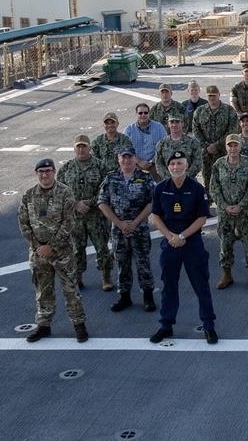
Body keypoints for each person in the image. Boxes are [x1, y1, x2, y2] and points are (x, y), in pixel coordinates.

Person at [148, 151, 218, 345]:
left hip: (191, 242)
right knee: (168, 286)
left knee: (201, 285)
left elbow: (202, 218)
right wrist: (170, 236)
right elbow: (156, 216)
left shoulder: (196, 188)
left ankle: (209, 325)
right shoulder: (161, 188)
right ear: (168, 167)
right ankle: (166, 325)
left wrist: (181, 236)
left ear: (186, 166)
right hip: (170, 243)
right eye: (173, 164)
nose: (176, 167)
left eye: (180, 163)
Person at [18, 157, 88, 343]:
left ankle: (79, 325)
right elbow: (24, 224)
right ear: (36, 173)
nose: (45, 174)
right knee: (42, 290)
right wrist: (38, 247)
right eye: (41, 171)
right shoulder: (28, 195)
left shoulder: (65, 193)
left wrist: (52, 246)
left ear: (54, 172)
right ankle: (43, 325)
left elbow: (69, 222)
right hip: (39, 253)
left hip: (62, 252)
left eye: (48, 171)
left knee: (71, 289)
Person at [98, 146, 156, 313]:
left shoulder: (144, 178)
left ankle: (148, 296)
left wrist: (135, 222)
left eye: (130, 157)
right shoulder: (111, 178)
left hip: (140, 229)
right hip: (119, 231)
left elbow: (152, 202)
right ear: (118, 159)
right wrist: (119, 223)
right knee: (122, 264)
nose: (126, 160)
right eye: (123, 157)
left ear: (135, 159)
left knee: (143, 263)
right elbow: (102, 202)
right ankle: (124, 297)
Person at [57, 134, 113, 291]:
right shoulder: (66, 168)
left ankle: (106, 278)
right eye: (78, 147)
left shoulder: (100, 166)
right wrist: (75, 204)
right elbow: (59, 192)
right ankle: (78, 278)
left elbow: (107, 189)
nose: (81, 149)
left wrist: (91, 202)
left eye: (84, 146)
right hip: (75, 217)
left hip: (97, 215)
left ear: (90, 148)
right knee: (76, 249)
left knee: (102, 247)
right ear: (74, 149)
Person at [209, 134, 248, 291]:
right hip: (225, 214)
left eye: (235, 145)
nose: (233, 148)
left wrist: (241, 205)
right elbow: (214, 188)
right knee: (225, 245)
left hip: (245, 213)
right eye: (230, 145)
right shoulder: (218, 164)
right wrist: (224, 206)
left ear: (240, 146)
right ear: (226, 147)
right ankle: (227, 275)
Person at [191, 85, 239, 187]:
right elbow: (196, 131)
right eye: (209, 96)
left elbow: (232, 131)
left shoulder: (229, 111)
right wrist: (206, 146)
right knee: (208, 183)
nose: (212, 98)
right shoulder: (199, 111)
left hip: (224, 153)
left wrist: (217, 145)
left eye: (214, 95)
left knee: (226, 183)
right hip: (206, 153)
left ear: (219, 95)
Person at [124, 103, 167, 181]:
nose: (143, 115)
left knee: (157, 189)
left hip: (155, 165)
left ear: (149, 113)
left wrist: (152, 161)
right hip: (135, 166)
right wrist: (139, 161)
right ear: (136, 114)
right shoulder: (129, 130)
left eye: (145, 113)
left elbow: (165, 146)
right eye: (140, 113)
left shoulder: (159, 127)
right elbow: (125, 151)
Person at [155, 113, 204, 181]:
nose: (174, 125)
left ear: (182, 123)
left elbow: (198, 163)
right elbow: (159, 164)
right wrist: (171, 178)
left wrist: (183, 178)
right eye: (172, 122)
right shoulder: (161, 144)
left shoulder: (193, 142)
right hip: (168, 181)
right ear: (168, 124)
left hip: (188, 181)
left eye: (177, 122)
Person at [91, 112, 134, 176]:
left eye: (112, 122)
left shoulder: (124, 140)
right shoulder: (98, 141)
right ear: (103, 125)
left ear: (117, 124)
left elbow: (128, 159)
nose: (110, 125)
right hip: (102, 176)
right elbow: (93, 160)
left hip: (120, 176)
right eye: (107, 123)